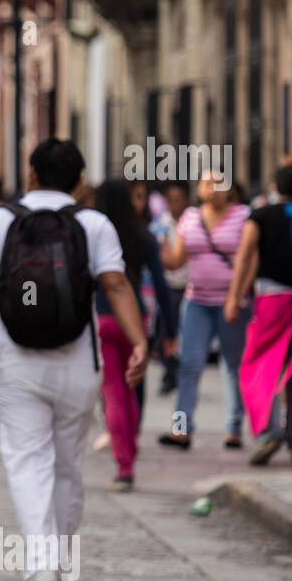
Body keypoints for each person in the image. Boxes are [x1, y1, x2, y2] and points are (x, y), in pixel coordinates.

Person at [0, 139, 147, 581]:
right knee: (68, 466)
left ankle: (41, 566)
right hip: (77, 365)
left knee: (29, 463)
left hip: (17, 363)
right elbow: (117, 284)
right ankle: (61, 567)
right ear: (80, 181)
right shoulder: (93, 224)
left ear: (30, 175)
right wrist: (139, 341)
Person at [226, 162, 292, 465]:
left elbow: (245, 254)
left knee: (260, 365)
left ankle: (268, 432)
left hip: (270, 302)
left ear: (274, 187)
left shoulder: (260, 216)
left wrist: (233, 297)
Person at [94, 180, 178, 490]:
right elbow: (161, 284)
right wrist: (170, 329)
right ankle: (132, 444)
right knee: (133, 388)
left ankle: (124, 463)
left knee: (113, 391)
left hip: (103, 319)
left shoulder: (95, 238)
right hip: (135, 321)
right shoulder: (143, 236)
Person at [157, 173, 250, 451]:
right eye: (207, 183)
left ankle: (233, 429)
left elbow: (251, 259)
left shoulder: (243, 216)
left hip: (231, 302)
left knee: (233, 364)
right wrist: (159, 240)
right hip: (196, 301)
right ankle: (181, 429)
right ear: (198, 188)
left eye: (219, 183)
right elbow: (175, 261)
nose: (213, 189)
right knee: (189, 363)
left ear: (231, 188)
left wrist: (238, 294)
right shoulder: (190, 217)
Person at [153, 181, 191, 393]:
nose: (175, 204)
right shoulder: (160, 225)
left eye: (179, 200)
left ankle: (179, 372)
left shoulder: (193, 222)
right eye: (172, 200)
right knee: (164, 331)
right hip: (167, 286)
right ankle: (169, 371)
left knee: (184, 334)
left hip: (188, 285)